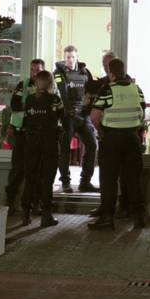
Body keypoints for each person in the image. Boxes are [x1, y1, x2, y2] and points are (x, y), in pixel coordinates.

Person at [88, 58, 146, 231]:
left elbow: (94, 117)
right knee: (133, 179)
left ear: (111, 73)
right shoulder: (137, 89)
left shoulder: (107, 89)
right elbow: (142, 113)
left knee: (109, 180)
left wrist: (101, 130)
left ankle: (107, 218)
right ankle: (139, 218)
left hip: (112, 140)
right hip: (132, 138)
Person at [85, 51, 131, 219]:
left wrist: (102, 129)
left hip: (112, 136)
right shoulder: (130, 86)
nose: (105, 69)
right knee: (111, 177)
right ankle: (110, 208)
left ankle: (111, 211)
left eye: (108, 66)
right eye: (103, 65)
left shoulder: (110, 87)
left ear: (114, 68)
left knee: (114, 177)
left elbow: (94, 116)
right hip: (125, 137)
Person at [20, 70, 64, 227]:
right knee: (47, 180)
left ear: (37, 83)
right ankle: (46, 215)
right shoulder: (55, 100)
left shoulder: (30, 100)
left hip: (32, 143)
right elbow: (62, 117)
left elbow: (26, 120)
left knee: (30, 177)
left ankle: (26, 213)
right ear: (51, 84)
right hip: (49, 142)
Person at [53, 45, 98, 193]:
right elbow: (63, 92)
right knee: (64, 149)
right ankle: (65, 182)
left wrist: (89, 107)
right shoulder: (58, 72)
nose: (70, 60)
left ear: (76, 57)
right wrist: (68, 111)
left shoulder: (85, 71)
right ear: (64, 57)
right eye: (67, 57)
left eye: (72, 57)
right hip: (68, 116)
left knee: (92, 145)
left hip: (84, 116)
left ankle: (85, 181)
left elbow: (91, 91)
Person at [6, 59, 45, 216]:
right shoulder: (23, 85)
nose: (34, 73)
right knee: (18, 169)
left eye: (37, 70)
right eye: (32, 70)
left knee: (38, 171)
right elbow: (15, 104)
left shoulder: (47, 87)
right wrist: (33, 105)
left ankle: (36, 204)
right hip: (21, 132)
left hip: (38, 134)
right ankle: (10, 204)